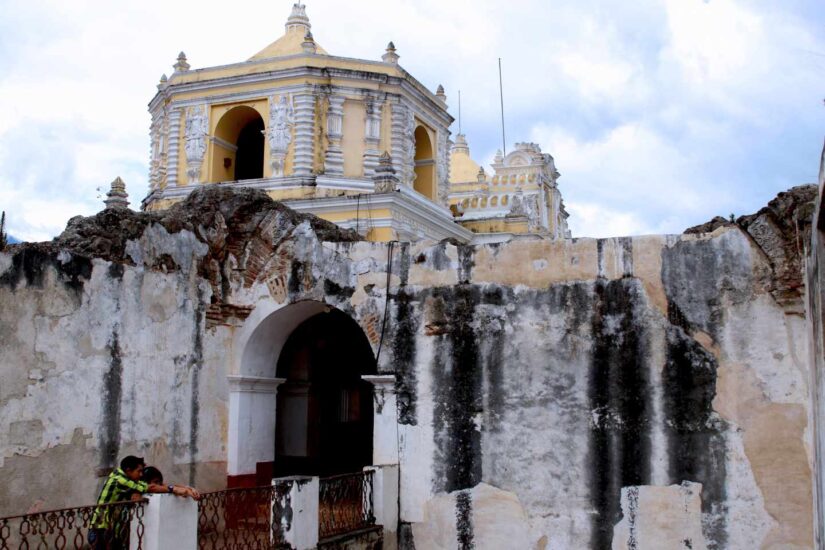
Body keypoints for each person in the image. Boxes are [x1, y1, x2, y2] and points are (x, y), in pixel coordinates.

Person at [89, 456, 200, 549]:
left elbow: (161, 485)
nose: (141, 474)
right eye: (139, 471)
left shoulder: (122, 475)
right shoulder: (120, 480)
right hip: (100, 528)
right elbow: (150, 488)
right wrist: (175, 489)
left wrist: (186, 488)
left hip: (112, 528)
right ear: (128, 470)